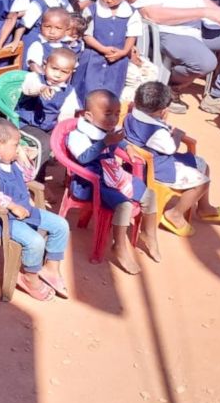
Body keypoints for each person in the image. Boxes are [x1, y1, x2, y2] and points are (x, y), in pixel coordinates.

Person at [0, 119, 70, 301]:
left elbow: (28, 176)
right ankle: (29, 277)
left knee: (61, 225)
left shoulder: (8, 158)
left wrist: (21, 156)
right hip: (0, 219)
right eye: (16, 145)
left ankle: (51, 269)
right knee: (35, 242)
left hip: (23, 210)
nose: (18, 147)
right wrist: (11, 205)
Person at [65, 89, 158, 275]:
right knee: (124, 205)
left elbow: (119, 141)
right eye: (108, 114)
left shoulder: (106, 130)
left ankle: (149, 232)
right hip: (92, 183)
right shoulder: (79, 135)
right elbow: (83, 158)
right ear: (89, 116)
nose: (113, 119)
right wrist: (105, 143)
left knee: (149, 195)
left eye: (117, 114)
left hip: (113, 176)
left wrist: (127, 147)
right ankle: (119, 245)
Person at [124, 81, 220, 235]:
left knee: (203, 165)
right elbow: (170, 148)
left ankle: (204, 207)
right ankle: (174, 214)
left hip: (144, 160)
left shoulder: (132, 113)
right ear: (162, 111)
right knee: (203, 182)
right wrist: (176, 135)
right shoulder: (156, 131)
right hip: (158, 168)